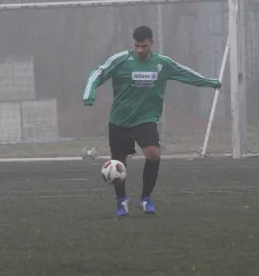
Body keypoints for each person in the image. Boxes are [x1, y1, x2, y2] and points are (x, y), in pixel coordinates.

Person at [83, 26, 221, 216]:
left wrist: (209, 82)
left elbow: (186, 73)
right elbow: (98, 73)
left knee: (153, 155)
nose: (140, 50)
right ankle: (121, 201)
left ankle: (146, 198)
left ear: (152, 44)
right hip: (120, 120)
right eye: (137, 46)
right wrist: (89, 93)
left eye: (144, 46)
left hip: (146, 119)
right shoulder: (121, 59)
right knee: (117, 163)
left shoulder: (162, 64)